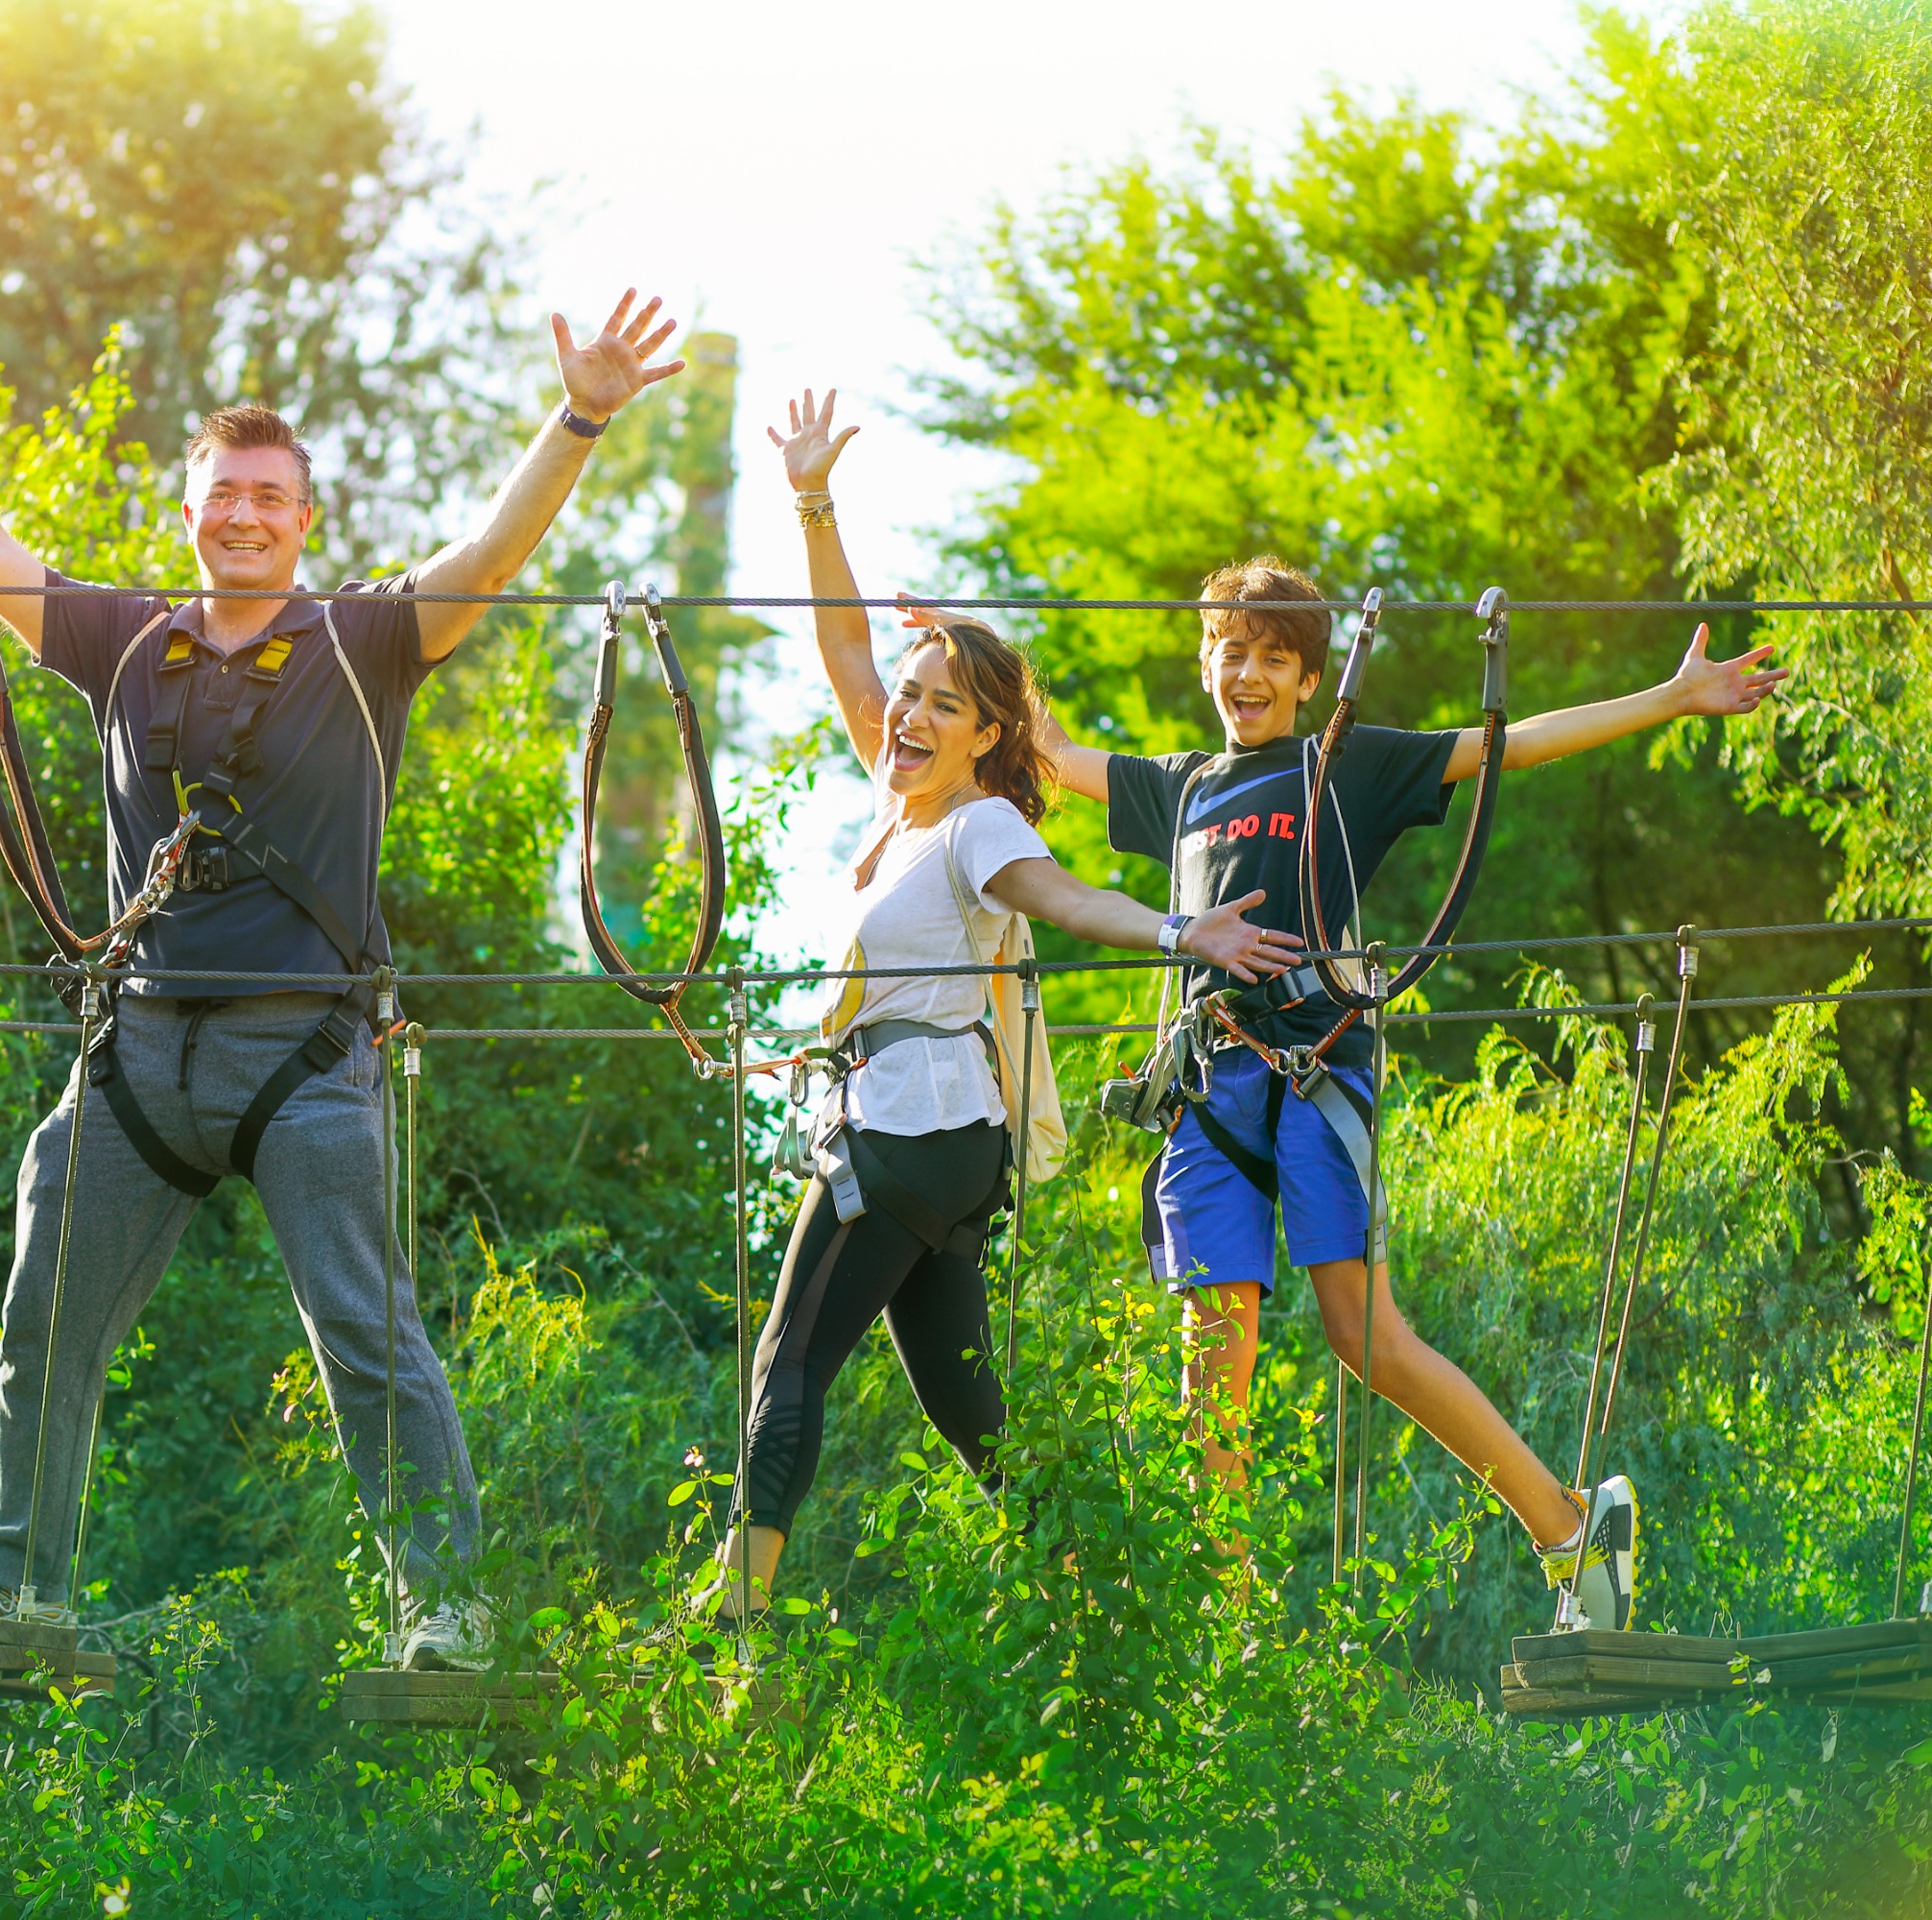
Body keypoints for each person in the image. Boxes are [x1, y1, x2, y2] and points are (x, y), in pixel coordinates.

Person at [0, 281, 686, 1667]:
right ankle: (18, 1583)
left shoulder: (366, 642)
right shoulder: (121, 642)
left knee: (364, 1334)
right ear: (189, 509)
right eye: (223, 494)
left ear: (305, 520)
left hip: (303, 1055)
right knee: (43, 1315)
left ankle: (447, 1605)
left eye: (270, 497)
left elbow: (491, 555)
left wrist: (577, 420)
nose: (245, 516)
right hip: (139, 1054)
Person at [1035, 552, 1784, 1630]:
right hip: (1208, 1087)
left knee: (1365, 1336)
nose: (1246, 674)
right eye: (1229, 651)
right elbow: (1053, 752)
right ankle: (1223, 1637)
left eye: (1273, 658)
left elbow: (1507, 744)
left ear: (1308, 679)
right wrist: (960, 648)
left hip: (1316, 1071)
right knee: (1210, 1365)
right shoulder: (1182, 786)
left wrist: (1669, 698)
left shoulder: (1345, 765)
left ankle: (1568, 1527)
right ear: (1204, 661)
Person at [707, 392, 1304, 1619]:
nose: (909, 715)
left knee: (789, 1359)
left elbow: (1061, 892)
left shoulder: (977, 822)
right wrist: (813, 501)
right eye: (909, 696)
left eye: (944, 703)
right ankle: (1098, 1611)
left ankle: (735, 1621)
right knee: (973, 1417)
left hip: (907, 1128)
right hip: (944, 1145)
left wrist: (1179, 928)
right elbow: (843, 653)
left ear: (989, 734)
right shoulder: (904, 804)